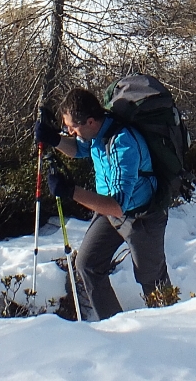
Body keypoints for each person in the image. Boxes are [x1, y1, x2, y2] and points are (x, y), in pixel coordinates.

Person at [34, 87, 171, 319]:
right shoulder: (97, 131)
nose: (69, 131)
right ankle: (114, 326)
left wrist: (71, 191)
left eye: (72, 127)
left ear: (89, 121)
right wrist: (54, 139)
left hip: (141, 217)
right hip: (109, 212)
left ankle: (172, 327)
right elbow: (79, 149)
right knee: (87, 264)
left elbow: (117, 204)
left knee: (152, 280)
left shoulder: (122, 144)